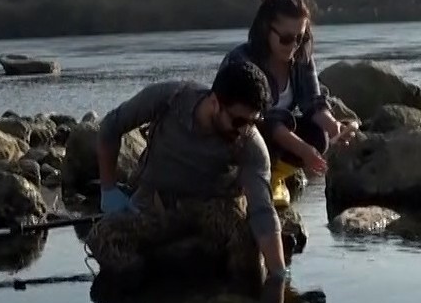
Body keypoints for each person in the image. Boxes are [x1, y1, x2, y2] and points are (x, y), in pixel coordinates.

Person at [86, 59, 288, 287]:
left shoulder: (250, 144)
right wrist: (109, 189)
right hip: (156, 206)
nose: (244, 130)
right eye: (238, 120)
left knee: (248, 246)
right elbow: (111, 126)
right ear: (215, 102)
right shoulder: (169, 98)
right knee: (104, 239)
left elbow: (262, 211)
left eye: (252, 122)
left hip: (215, 211)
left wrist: (279, 275)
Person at [219, 0, 357, 205]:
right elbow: (266, 120)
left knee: (318, 134)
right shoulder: (243, 61)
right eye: (286, 39)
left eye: (300, 37)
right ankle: (256, 178)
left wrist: (336, 128)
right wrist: (302, 150)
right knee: (260, 133)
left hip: (275, 134)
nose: (294, 45)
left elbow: (313, 103)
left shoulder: (300, 58)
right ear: (266, 30)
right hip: (241, 134)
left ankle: (276, 176)